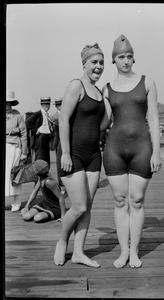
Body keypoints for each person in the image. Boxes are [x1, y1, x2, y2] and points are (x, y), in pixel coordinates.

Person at [102, 34, 162, 268]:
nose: (125, 61)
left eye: (129, 56)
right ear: (114, 61)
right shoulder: (107, 89)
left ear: (133, 59)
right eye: (120, 57)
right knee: (119, 201)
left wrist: (157, 152)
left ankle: (134, 251)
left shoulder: (147, 82)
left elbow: (154, 120)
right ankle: (123, 252)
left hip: (141, 148)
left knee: (136, 200)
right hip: (114, 149)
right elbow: (104, 122)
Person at [54, 42, 106, 267]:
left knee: (88, 205)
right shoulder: (77, 85)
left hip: (94, 155)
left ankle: (78, 252)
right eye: (94, 62)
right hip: (72, 154)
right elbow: (63, 119)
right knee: (79, 206)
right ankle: (62, 241)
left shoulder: (98, 91)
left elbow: (101, 125)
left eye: (102, 62)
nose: (98, 66)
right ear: (84, 63)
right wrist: (65, 152)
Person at [6, 90, 28, 212]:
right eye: (5, 103)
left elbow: (24, 134)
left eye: (9, 103)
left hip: (14, 147)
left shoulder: (18, 115)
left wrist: (24, 152)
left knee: (14, 175)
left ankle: (17, 202)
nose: (7, 105)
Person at [26, 97, 54, 166]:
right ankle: (39, 173)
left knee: (46, 157)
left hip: (47, 138)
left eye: (48, 104)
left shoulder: (47, 115)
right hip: (40, 137)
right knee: (40, 157)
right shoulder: (38, 114)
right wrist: (36, 130)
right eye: (45, 104)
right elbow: (28, 122)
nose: (47, 106)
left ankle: (45, 173)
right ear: (41, 105)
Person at [51, 98, 64, 186]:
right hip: (59, 141)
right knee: (59, 162)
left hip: (68, 141)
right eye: (58, 105)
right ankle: (61, 183)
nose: (60, 106)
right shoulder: (54, 117)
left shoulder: (67, 114)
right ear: (56, 106)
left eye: (61, 104)